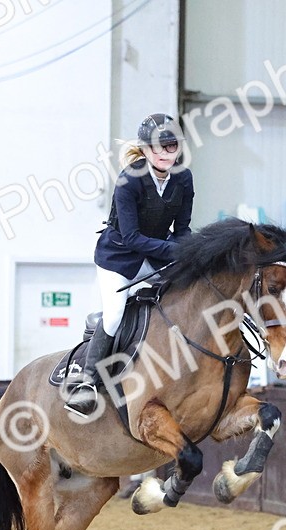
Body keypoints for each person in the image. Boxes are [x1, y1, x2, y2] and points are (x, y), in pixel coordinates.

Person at [64, 113, 195, 416]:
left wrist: (188, 250)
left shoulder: (183, 178)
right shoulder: (129, 181)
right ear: (146, 150)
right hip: (119, 259)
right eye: (157, 148)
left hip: (156, 257)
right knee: (113, 315)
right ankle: (87, 382)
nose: (164, 153)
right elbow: (133, 238)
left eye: (171, 146)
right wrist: (176, 250)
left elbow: (183, 228)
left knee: (186, 295)